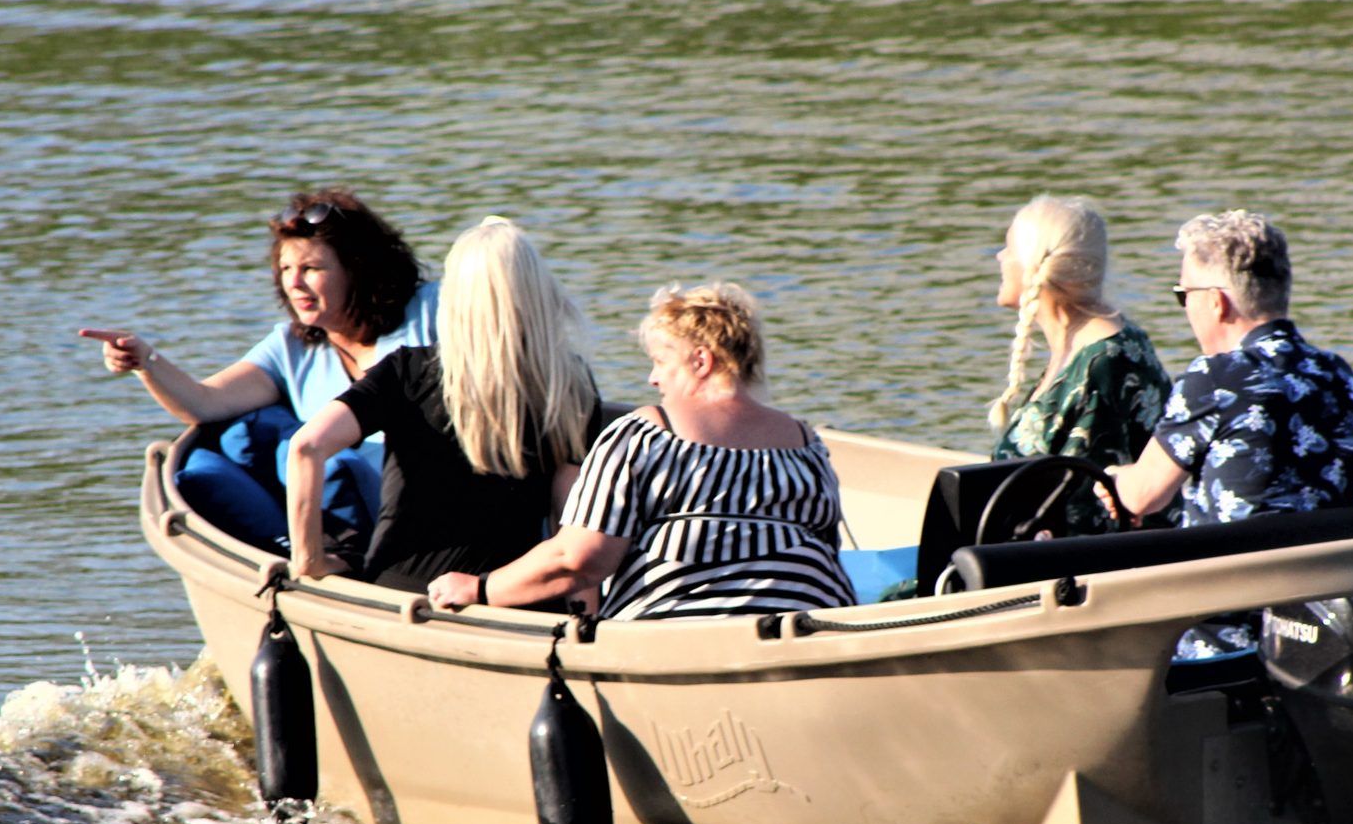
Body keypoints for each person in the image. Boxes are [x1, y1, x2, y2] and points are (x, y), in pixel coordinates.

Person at [426, 282, 855, 621]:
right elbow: (824, 554)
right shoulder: (807, 445)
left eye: (660, 361)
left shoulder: (646, 435)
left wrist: (480, 588)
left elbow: (577, 559)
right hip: (805, 630)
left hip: (678, 634)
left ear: (701, 361)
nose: (652, 378)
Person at [80, 190, 438, 554]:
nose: (294, 283)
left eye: (311, 269)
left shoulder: (431, 310)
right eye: (286, 269)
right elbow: (205, 402)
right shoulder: (290, 347)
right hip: (365, 532)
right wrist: (145, 360)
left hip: (445, 511)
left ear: (357, 269)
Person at [281, 217, 601, 596]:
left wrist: (309, 561)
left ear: (454, 298)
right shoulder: (569, 385)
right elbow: (570, 527)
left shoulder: (407, 372)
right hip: (506, 596)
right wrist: (583, 618)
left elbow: (306, 448)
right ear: (537, 293)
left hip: (400, 592)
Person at [1109, 209, 1353, 657]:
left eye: (1183, 295)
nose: (1185, 309)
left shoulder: (1218, 377)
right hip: (1329, 632)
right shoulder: (1344, 379)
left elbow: (1140, 496)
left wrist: (1114, 476)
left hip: (1222, 640)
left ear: (1217, 302)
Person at [985, 194, 1171, 536]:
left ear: (1032, 265)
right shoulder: (1096, 345)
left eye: (1008, 247)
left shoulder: (1100, 365)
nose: (1000, 257)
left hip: (1085, 573)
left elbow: (1084, 513)